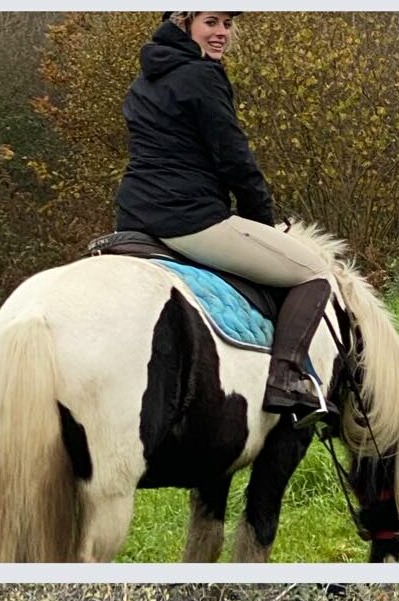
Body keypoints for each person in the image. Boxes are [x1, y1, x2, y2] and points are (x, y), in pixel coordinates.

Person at [114, 12, 332, 426]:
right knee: (314, 271)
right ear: (183, 24)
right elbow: (234, 159)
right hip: (190, 220)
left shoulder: (143, 81)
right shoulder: (203, 75)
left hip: (134, 218)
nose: (222, 34)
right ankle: (288, 379)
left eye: (228, 24)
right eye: (211, 21)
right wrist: (260, 219)